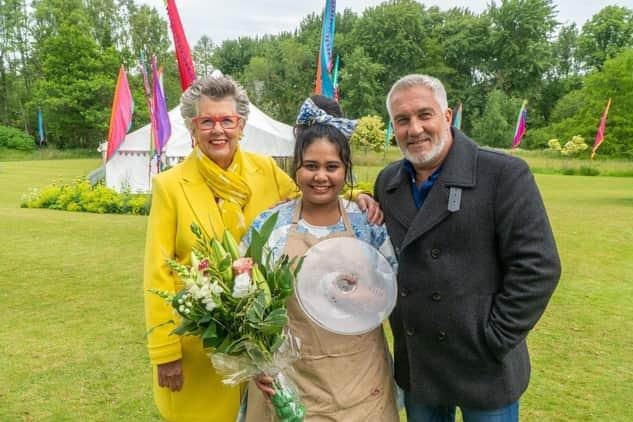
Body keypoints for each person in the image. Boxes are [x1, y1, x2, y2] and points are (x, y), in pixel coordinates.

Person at [143, 76, 381, 421]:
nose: (218, 130)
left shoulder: (266, 169)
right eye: (206, 121)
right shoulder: (169, 186)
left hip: (263, 345)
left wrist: (353, 197)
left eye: (227, 120)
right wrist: (165, 352)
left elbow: (312, 192)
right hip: (204, 345)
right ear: (192, 127)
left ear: (241, 124)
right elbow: (158, 273)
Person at [374, 74, 561, 422]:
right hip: (420, 364)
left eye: (424, 115)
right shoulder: (388, 183)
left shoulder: (503, 174)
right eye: (402, 120)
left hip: (485, 366)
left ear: (446, 117)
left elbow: (538, 267)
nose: (414, 129)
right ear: (393, 127)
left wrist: (495, 337)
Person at [242, 96, 400, 421]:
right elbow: (244, 300)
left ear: (346, 170)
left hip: (362, 380)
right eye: (311, 166)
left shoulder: (366, 224)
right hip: (290, 383)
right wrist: (257, 361)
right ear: (295, 168)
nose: (321, 177)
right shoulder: (269, 226)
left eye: (332, 167)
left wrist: (363, 295)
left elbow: (394, 292)